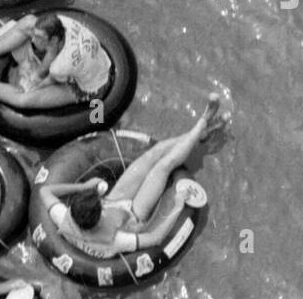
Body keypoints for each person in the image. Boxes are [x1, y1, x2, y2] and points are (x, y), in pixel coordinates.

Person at [36, 95, 226, 258]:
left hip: (115, 201)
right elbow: (155, 238)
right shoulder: (115, 241)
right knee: (162, 167)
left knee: (152, 154)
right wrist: (177, 206)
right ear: (98, 216)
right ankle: (203, 120)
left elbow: (45, 190)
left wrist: (83, 188)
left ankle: (198, 135)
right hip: (133, 216)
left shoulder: (62, 217)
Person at [0, 11, 113, 109]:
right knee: (28, 23)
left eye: (38, 38)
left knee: (23, 98)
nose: (32, 40)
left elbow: (46, 78)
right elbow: (48, 49)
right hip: (90, 60)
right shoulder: (62, 22)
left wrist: (30, 81)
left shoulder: (61, 66)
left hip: (91, 87)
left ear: (53, 40)